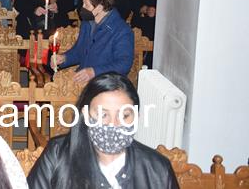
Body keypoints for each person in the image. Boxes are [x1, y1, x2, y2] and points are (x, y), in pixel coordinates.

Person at [27, 72, 179, 188]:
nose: (113, 124)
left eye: (124, 115)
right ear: (86, 115)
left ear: (137, 117)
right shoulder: (58, 155)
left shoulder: (157, 170)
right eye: (103, 115)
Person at [55, 0, 134, 83]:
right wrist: (64, 58)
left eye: (86, 5)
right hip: (83, 80)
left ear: (100, 8)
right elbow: (79, 51)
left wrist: (94, 72)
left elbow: (124, 64)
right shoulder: (87, 23)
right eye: (83, 3)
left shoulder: (122, 30)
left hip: (106, 83)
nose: (82, 8)